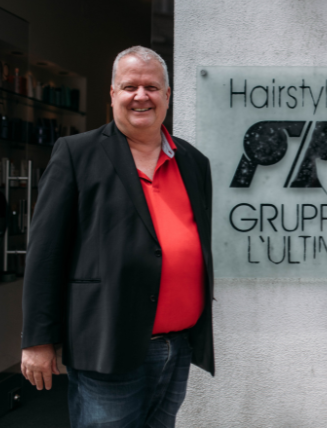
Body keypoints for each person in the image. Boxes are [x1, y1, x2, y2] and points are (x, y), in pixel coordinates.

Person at [20, 46, 214, 428]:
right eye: (130, 87)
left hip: (177, 346)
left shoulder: (193, 161)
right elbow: (45, 252)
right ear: (112, 94)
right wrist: (38, 339)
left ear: (167, 95)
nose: (141, 96)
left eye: (152, 87)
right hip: (107, 345)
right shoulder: (77, 153)